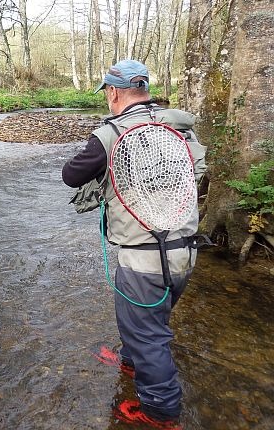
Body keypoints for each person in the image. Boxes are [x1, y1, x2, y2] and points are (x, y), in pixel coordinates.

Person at [62, 60, 207, 427]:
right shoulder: (180, 128)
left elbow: (71, 175)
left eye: (107, 94)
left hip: (142, 261)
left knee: (148, 336)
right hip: (185, 253)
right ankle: (130, 362)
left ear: (113, 92)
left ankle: (160, 411)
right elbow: (198, 174)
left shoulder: (109, 135)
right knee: (148, 323)